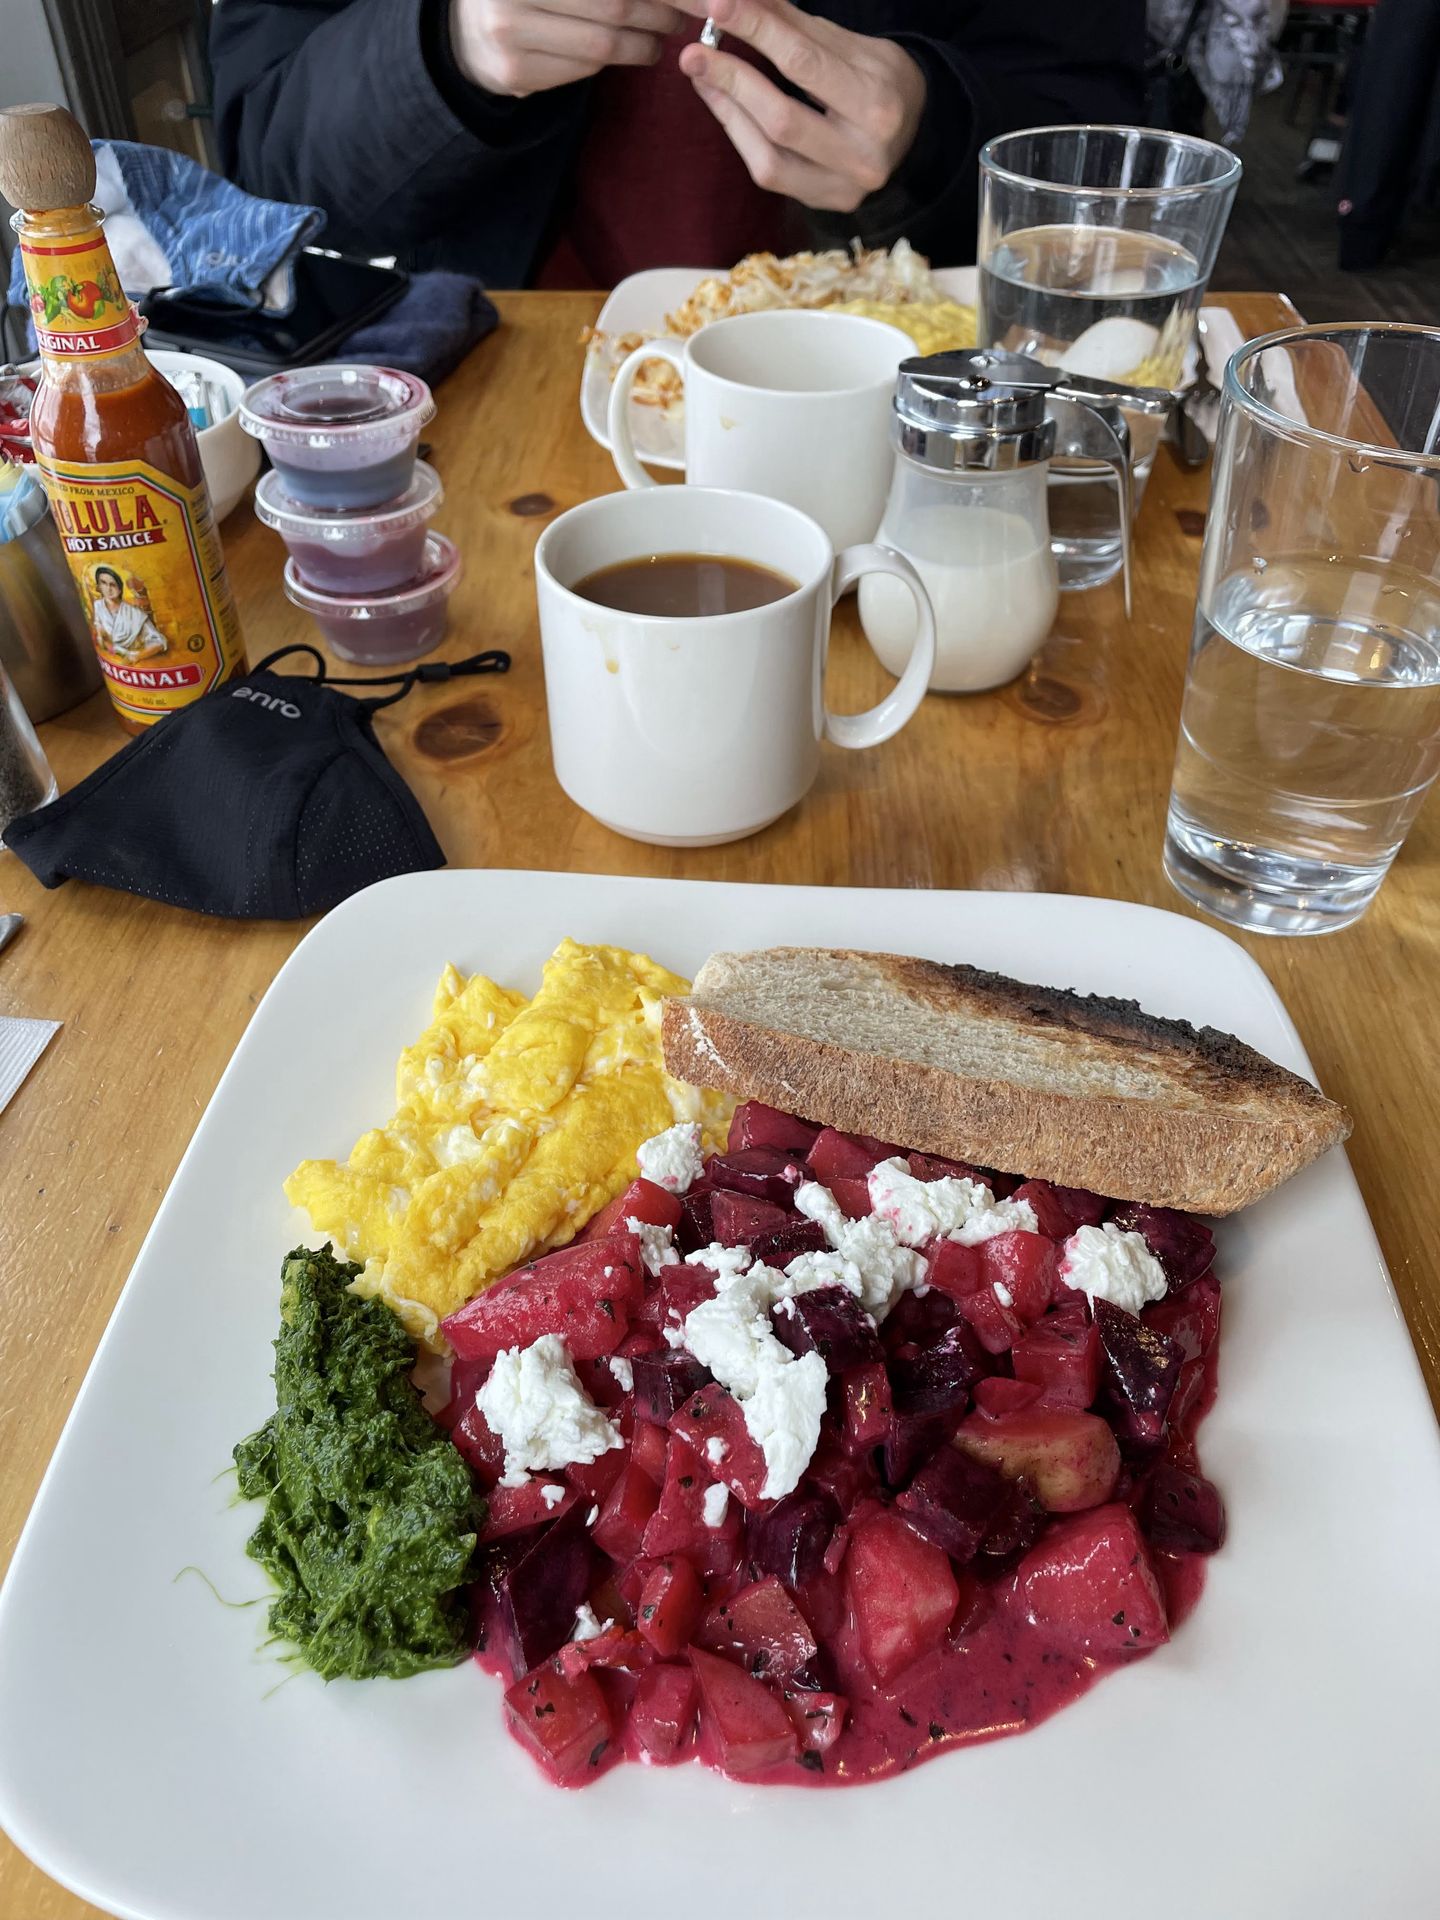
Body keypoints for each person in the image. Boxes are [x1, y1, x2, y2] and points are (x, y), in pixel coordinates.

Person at [210, 0, 1145, 288]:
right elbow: (266, 166)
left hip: (901, 418)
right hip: (464, 412)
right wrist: (440, 51)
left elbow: (1112, 160)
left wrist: (934, 126)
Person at [91, 566, 168, 662]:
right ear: (99, 587)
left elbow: (159, 642)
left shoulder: (135, 613)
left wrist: (137, 656)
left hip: (138, 663)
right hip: (113, 661)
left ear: (119, 589)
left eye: (113, 585)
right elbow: (99, 632)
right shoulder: (98, 606)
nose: (108, 588)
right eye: (104, 583)